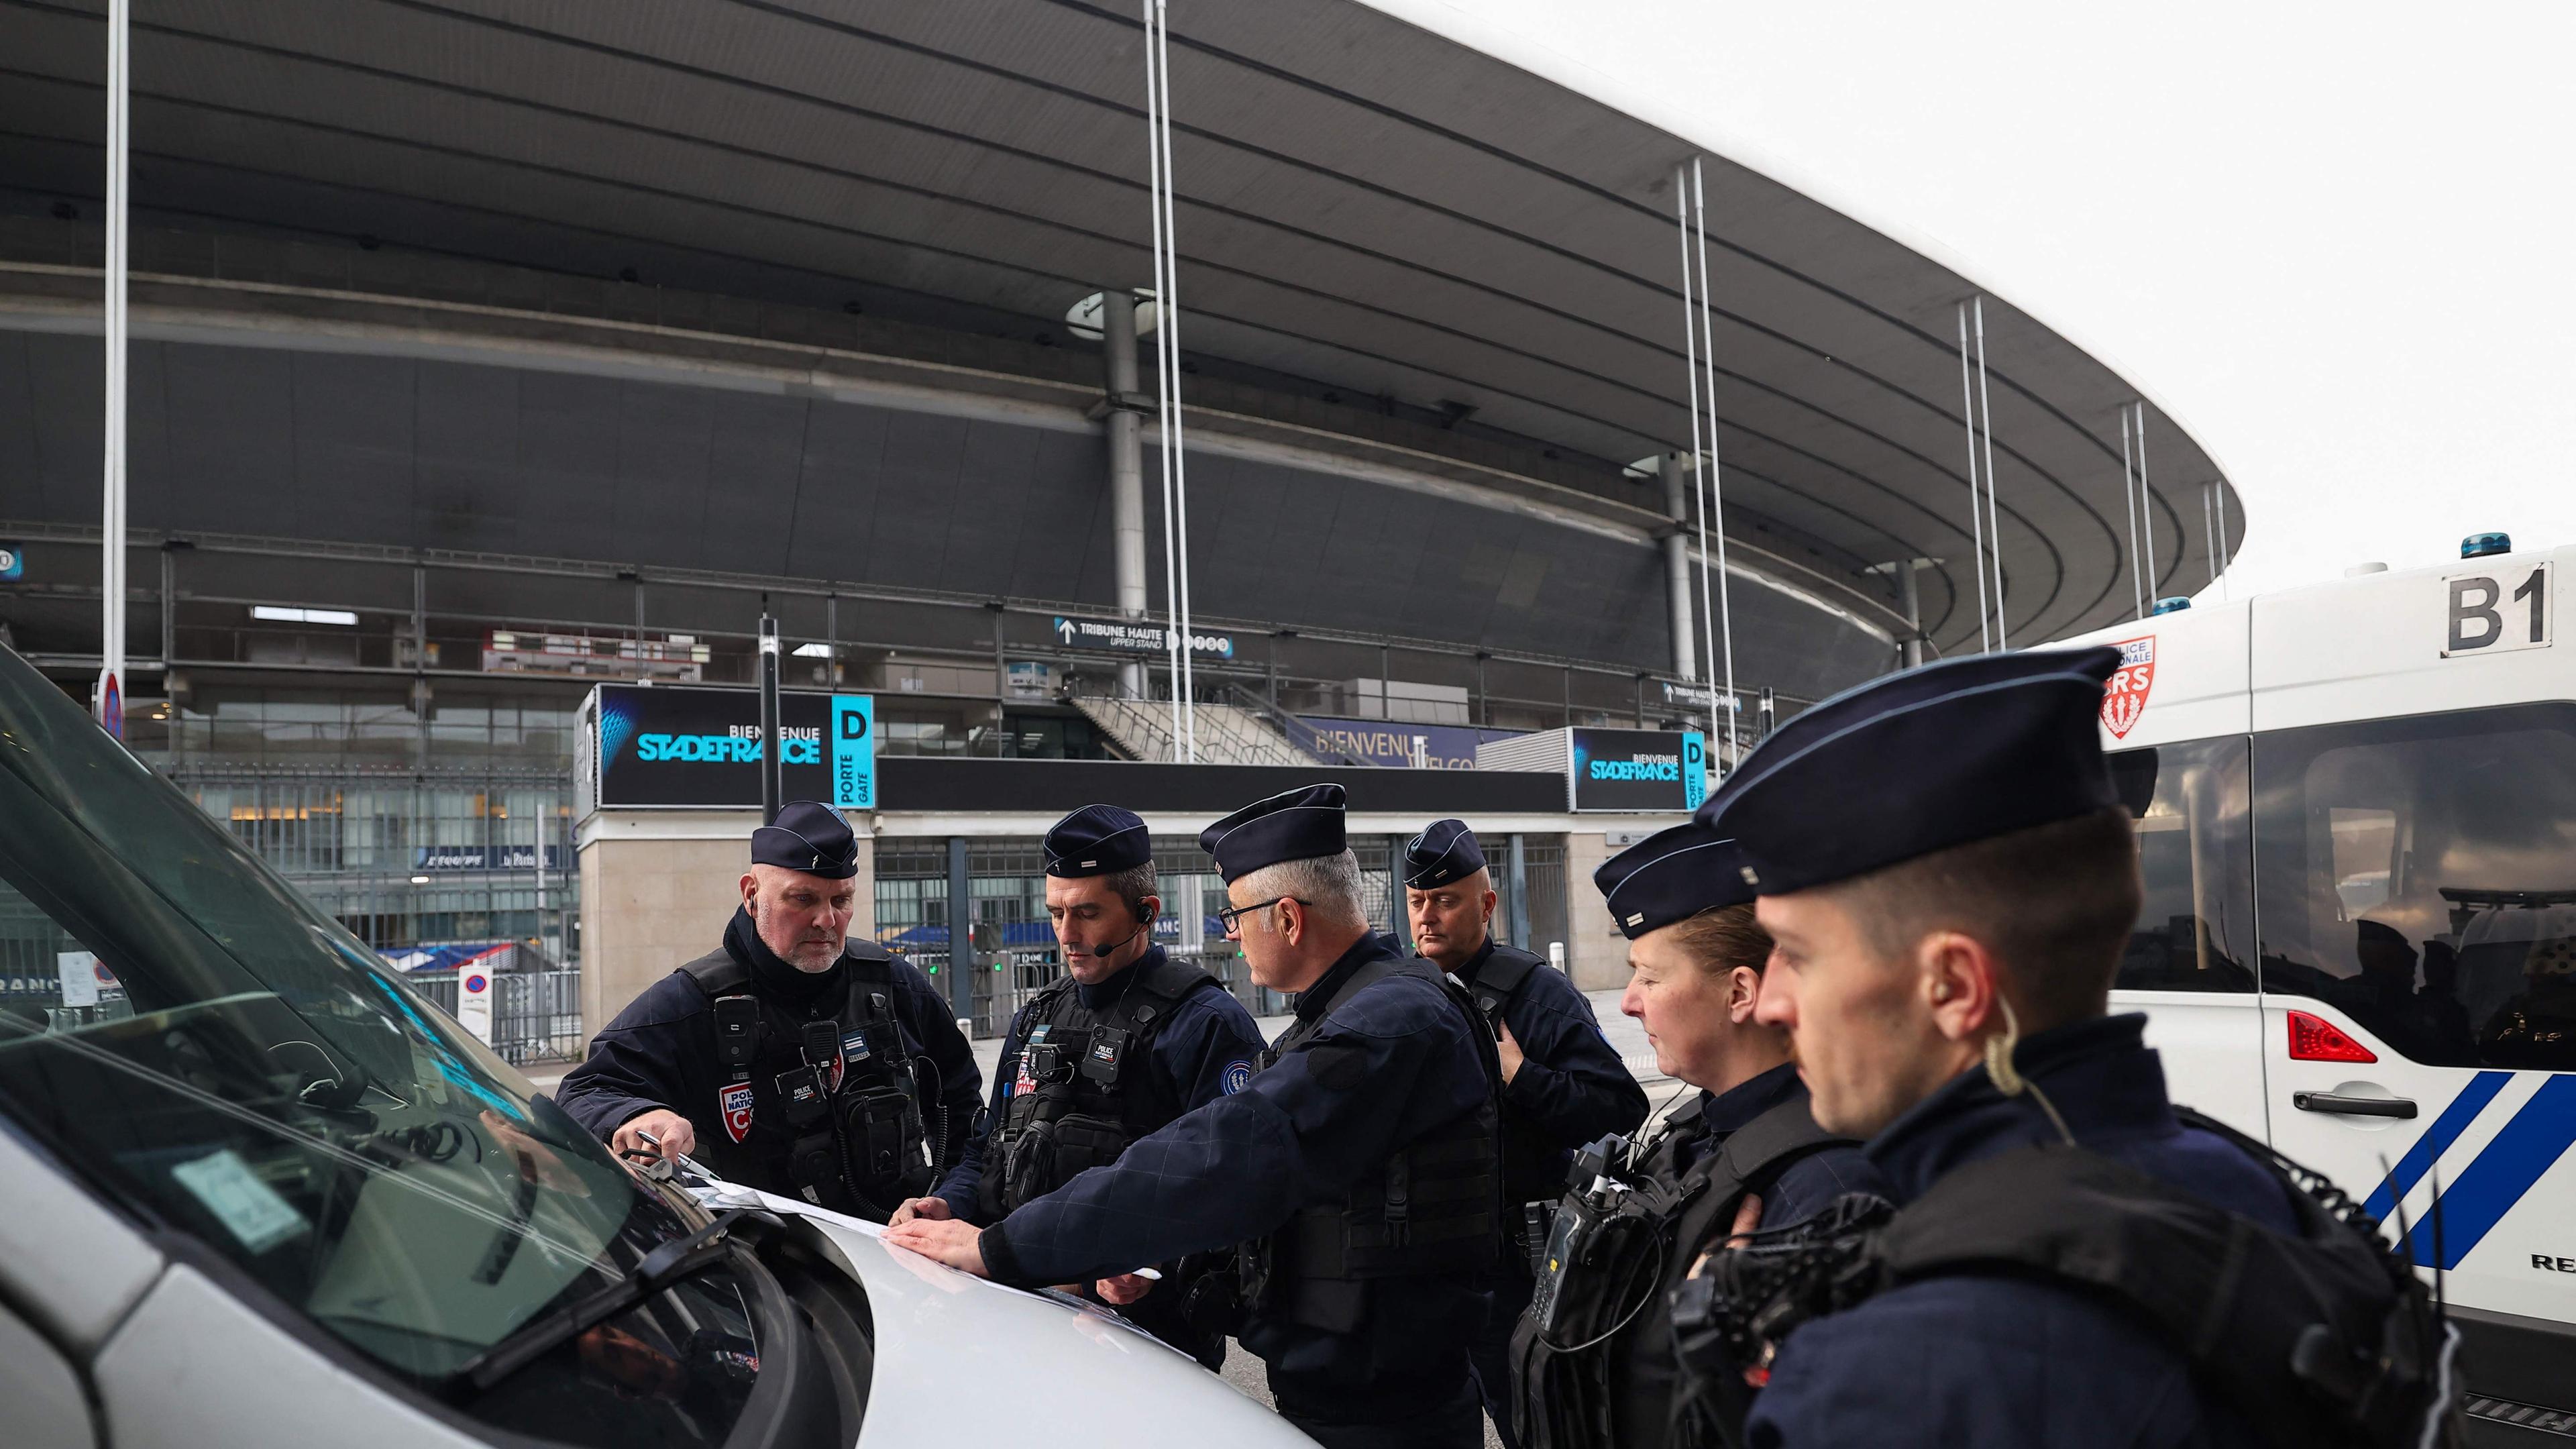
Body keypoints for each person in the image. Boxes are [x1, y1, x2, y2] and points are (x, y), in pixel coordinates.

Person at [1688, 648, 2456, 1448]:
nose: (1772, 1001)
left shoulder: (1893, 1378)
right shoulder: (2253, 1191)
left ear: (1953, 987)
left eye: (1799, 954)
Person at [886, 783, 1503, 1449]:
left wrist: (1005, 1248)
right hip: (1345, 1391)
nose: (1232, 938)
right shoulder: (1348, 1014)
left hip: (1386, 1414)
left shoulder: (1387, 1023)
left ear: (1288, 918)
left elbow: (1228, 1155)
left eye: (1234, 918)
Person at [1511, 821, 1876, 1449]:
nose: (1628, 1002)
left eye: (1649, 978)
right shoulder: (1697, 1132)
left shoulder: (1818, 1193)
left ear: (1739, 992)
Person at [887, 804, 1264, 1367]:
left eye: (1087, 913)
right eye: (1056, 912)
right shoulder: (1037, 1014)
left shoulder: (1205, 1023)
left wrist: (1149, 1263)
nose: (1067, 934)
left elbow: (1234, 1187)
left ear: (1145, 912)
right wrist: (948, 1202)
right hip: (1019, 1315)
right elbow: (990, 1146)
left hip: (1147, 1344)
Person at [556, 800, 981, 1221]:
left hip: (902, 1255)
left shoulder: (894, 985)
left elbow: (965, 1105)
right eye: (803, 899)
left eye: (842, 900)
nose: (826, 920)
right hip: (764, 1264)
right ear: (752, 895)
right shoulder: (694, 1002)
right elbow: (586, 1089)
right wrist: (639, 1116)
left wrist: (952, 1202)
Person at [1404, 818, 1647, 1448]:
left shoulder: (1536, 995)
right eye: (1417, 901)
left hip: (1519, 1273)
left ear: (1487, 904)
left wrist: (1520, 1075)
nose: (1428, 916)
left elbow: (1620, 1106)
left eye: (1446, 899)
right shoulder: (1401, 992)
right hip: (1429, 1269)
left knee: (1536, 1428)